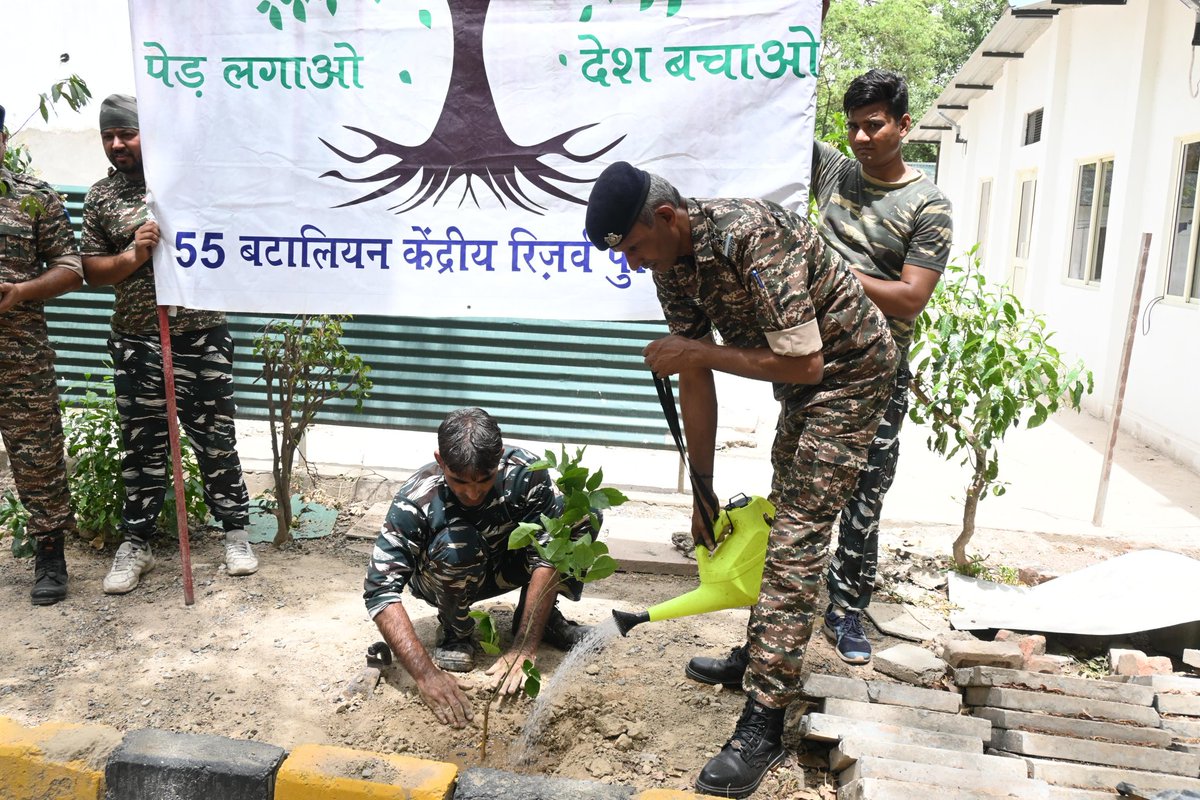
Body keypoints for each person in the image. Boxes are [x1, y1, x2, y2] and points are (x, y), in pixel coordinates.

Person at [584, 162, 897, 797]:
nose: (637, 265)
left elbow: (805, 362)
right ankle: (764, 656)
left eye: (638, 248)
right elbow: (693, 378)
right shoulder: (673, 266)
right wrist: (701, 490)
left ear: (667, 218)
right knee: (782, 522)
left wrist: (697, 353)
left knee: (795, 543)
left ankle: (764, 719)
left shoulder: (752, 237)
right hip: (805, 389)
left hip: (850, 377)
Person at [685, 70, 953, 684]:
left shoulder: (927, 205)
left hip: (871, 370)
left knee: (861, 496)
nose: (860, 137)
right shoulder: (835, 172)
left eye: (875, 124)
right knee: (793, 507)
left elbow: (911, 299)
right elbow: (777, 113)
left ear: (904, 125)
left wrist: (819, 268)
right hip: (807, 365)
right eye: (853, 125)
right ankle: (763, 642)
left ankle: (848, 611)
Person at [80, 94, 258, 594]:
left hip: (201, 334)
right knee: (142, 446)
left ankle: (236, 533)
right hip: (138, 338)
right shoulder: (101, 197)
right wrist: (134, 254)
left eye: (127, 134)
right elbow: (90, 271)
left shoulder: (193, 183)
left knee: (216, 440)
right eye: (108, 136)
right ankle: (136, 543)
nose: (117, 145)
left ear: (150, 133)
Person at [363, 407, 593, 728]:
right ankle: (456, 633)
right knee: (459, 546)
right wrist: (426, 675)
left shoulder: (527, 474)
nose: (473, 493)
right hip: (442, 573)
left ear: (499, 456)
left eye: (485, 479)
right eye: (459, 481)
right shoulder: (415, 499)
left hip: (503, 564)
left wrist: (524, 646)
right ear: (440, 461)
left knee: (579, 515)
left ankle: (543, 617)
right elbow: (379, 592)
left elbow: (548, 555)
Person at [0, 103, 84, 606]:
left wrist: (21, 291)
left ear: (5, 137)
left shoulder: (33, 199)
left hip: (20, 356)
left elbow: (72, 268)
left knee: (38, 458)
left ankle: (49, 554)